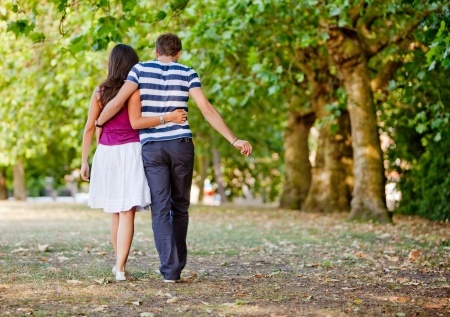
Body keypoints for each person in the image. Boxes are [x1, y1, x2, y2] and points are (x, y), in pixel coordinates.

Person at [96, 33, 253, 283]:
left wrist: (98, 121)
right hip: (181, 145)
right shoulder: (188, 72)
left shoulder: (140, 70)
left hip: (153, 148)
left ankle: (169, 270)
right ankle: (176, 268)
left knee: (160, 208)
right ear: (178, 53)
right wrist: (234, 140)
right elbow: (207, 109)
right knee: (180, 207)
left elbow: (117, 102)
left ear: (156, 52)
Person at [80, 43, 187, 282]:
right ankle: (119, 268)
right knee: (127, 212)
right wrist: (167, 118)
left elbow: (89, 127)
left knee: (115, 212)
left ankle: (118, 265)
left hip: (106, 153)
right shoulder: (136, 90)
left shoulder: (99, 92)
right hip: (130, 152)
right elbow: (137, 121)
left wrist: (84, 161)